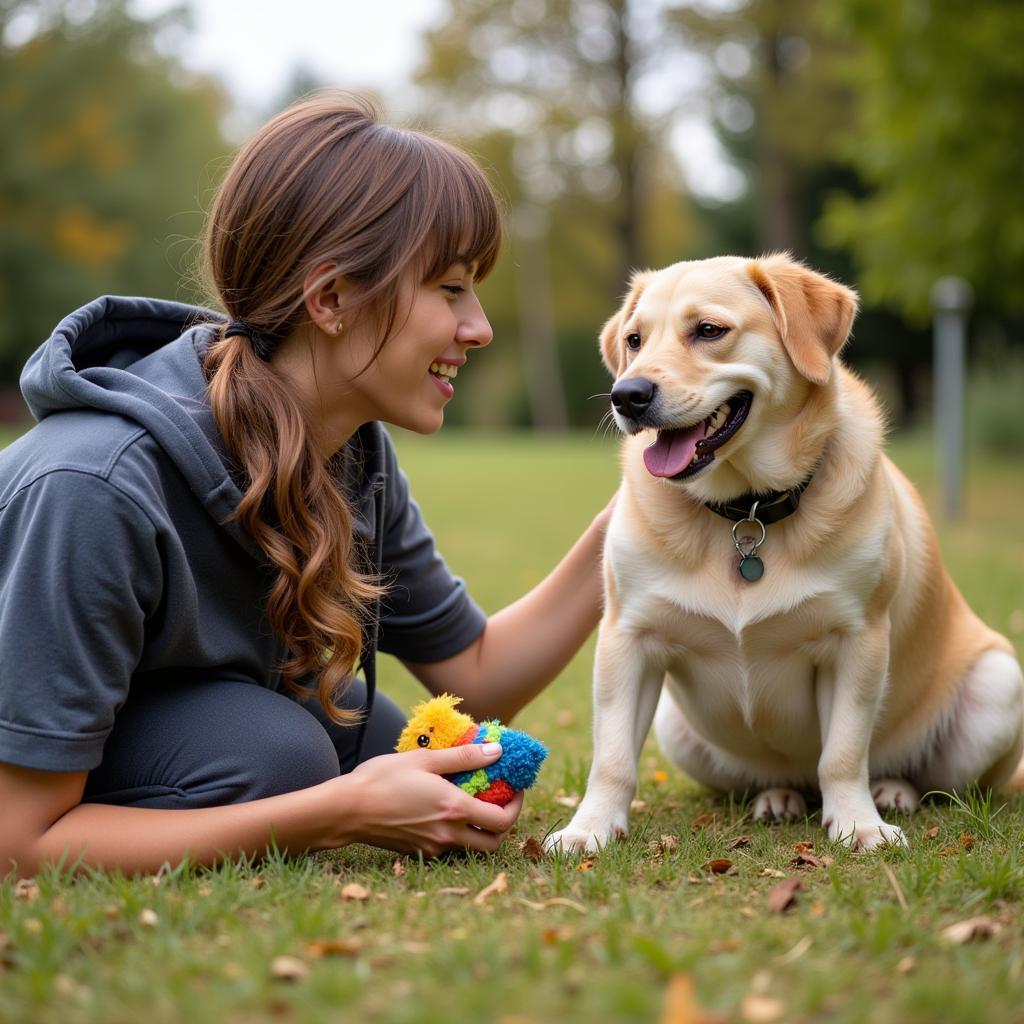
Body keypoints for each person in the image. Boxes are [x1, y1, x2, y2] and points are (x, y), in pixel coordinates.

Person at [0, 92, 609, 879]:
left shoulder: (351, 451)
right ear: (330, 300)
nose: (479, 327)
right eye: (450, 288)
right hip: (32, 785)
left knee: (385, 736)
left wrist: (636, 526)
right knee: (280, 753)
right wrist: (339, 809)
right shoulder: (95, 487)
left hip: (158, 732)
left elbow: (478, 672)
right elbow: (19, 841)